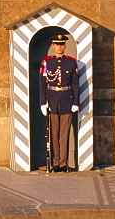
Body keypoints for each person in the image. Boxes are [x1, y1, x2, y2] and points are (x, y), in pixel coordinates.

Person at [39, 33, 80, 172]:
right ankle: (55, 162)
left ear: (65, 46)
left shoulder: (71, 62)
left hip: (67, 100)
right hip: (52, 100)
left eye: (62, 44)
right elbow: (43, 84)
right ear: (53, 45)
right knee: (54, 133)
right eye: (57, 44)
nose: (59, 47)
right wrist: (42, 102)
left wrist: (76, 102)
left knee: (64, 134)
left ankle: (63, 163)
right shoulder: (47, 62)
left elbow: (75, 84)